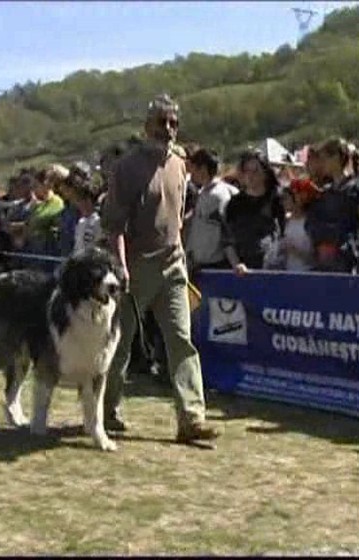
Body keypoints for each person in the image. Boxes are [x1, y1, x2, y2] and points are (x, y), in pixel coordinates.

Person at [101, 93, 219, 444]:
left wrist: (179, 249)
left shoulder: (180, 164)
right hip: (135, 267)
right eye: (161, 122)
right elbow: (114, 225)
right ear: (146, 126)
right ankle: (105, 411)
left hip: (173, 266)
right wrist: (121, 266)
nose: (167, 129)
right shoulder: (127, 168)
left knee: (181, 340)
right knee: (120, 343)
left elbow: (176, 215)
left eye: (173, 123)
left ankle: (191, 418)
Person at [305, 137, 359, 274]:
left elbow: (355, 225)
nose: (322, 163)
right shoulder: (324, 193)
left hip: (346, 260)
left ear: (337, 158)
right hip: (324, 261)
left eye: (325, 158)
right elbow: (311, 223)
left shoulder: (355, 191)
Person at [223, 151, 286, 275]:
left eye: (256, 171)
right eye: (247, 171)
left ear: (265, 173)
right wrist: (236, 264)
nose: (251, 176)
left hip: (272, 268)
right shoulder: (235, 203)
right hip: (241, 269)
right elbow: (227, 240)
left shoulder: (276, 200)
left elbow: (284, 235)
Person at [185, 148, 239, 279]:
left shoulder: (219, 196)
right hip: (198, 264)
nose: (191, 174)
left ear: (202, 168)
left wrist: (235, 264)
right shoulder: (203, 193)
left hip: (214, 266)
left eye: (193, 169)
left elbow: (226, 232)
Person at [279, 179, 321, 272]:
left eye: (286, 198)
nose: (283, 202)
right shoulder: (286, 221)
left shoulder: (311, 222)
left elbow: (315, 259)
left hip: (307, 274)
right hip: (288, 273)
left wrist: (294, 250)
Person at [72, 179, 103, 254]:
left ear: (88, 201)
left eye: (79, 200)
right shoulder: (81, 222)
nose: (77, 205)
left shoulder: (99, 222)